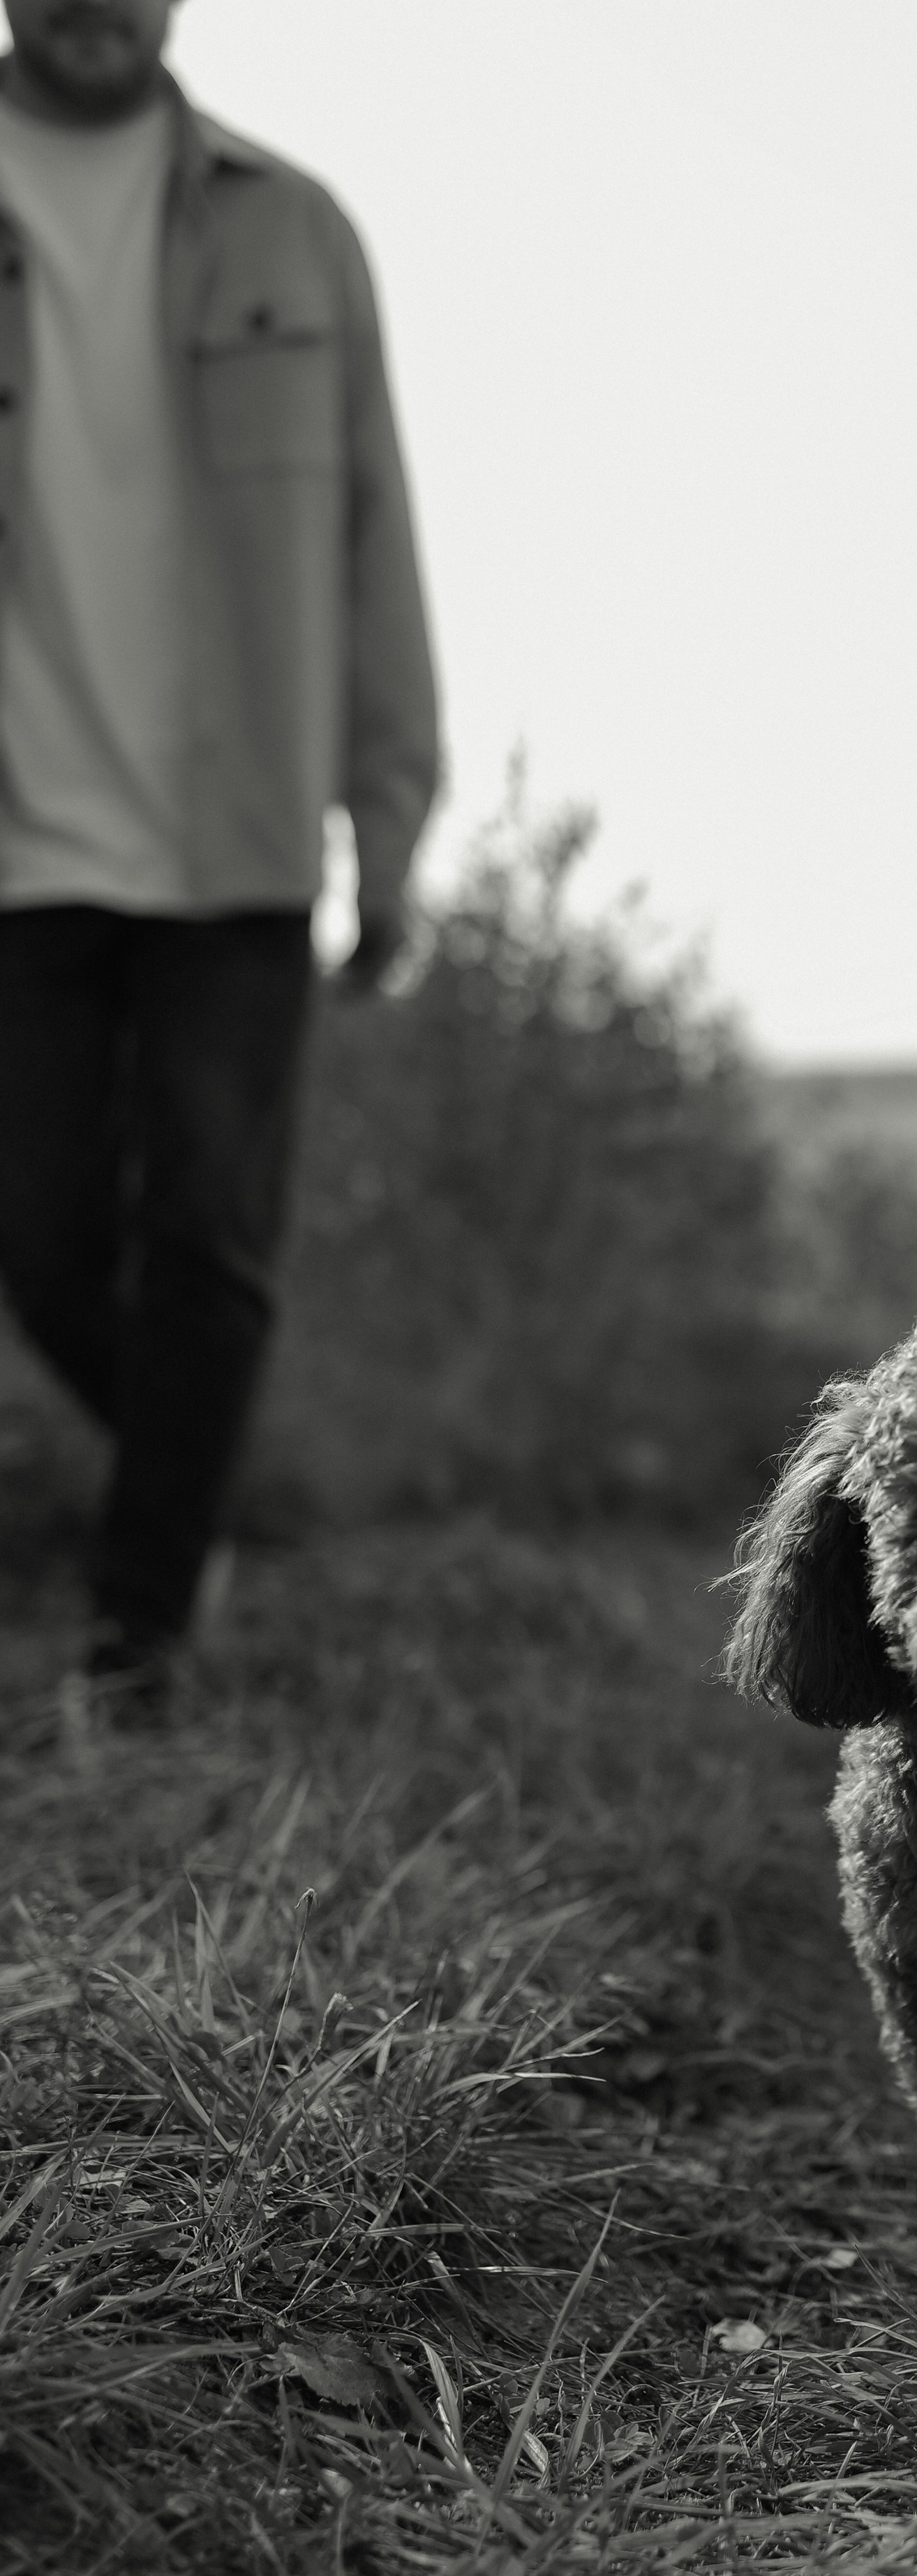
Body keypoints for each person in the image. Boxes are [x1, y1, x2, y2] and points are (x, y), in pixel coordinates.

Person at [0, 0, 438, 1707]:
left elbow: (373, 529)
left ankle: (142, 1634)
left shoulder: (293, 228)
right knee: (37, 1239)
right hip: (19, 839)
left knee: (212, 1241)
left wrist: (387, 815)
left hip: (237, 833)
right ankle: (200, 1499)